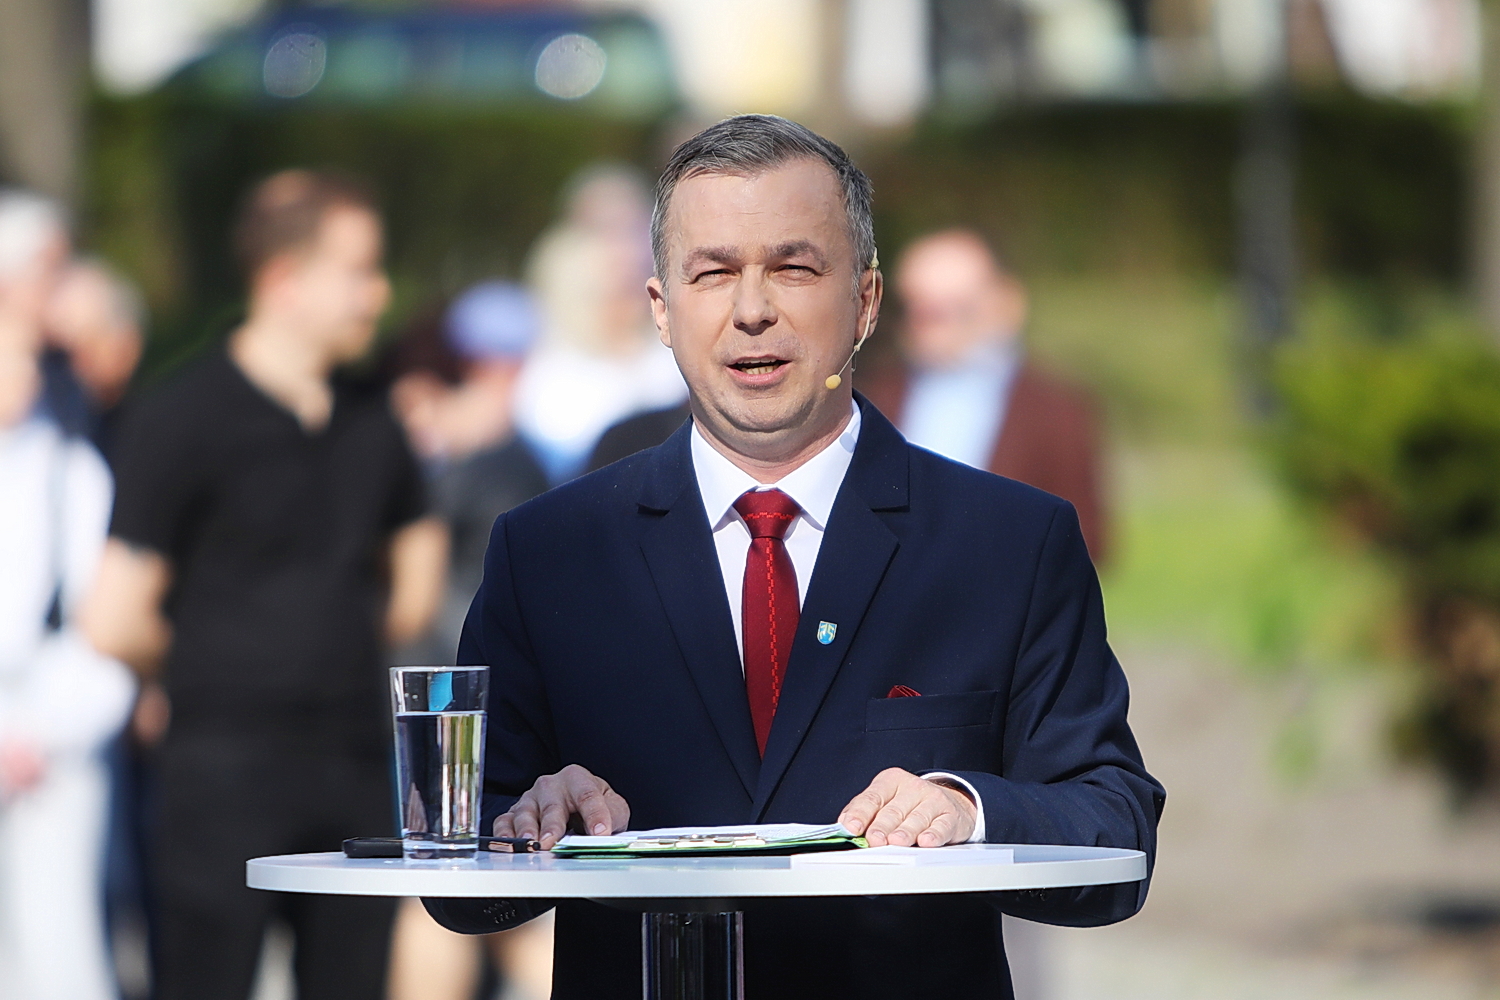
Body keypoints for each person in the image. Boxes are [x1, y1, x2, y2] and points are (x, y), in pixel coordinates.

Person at [425, 115, 1163, 997]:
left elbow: (1114, 831)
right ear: (661, 309)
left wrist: (967, 809)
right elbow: (455, 872)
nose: (752, 310)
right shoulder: (548, 552)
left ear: (867, 301)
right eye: (713, 272)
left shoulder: (1008, 543)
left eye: (793, 268)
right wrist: (529, 818)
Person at [81, 170, 446, 1000]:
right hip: (220, 769)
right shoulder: (183, 415)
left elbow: (416, 577)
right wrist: (217, 663)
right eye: (358, 271)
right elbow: (113, 616)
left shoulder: (375, 418)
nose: (378, 293)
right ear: (283, 279)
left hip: (355, 761)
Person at [0, 189, 136, 1000]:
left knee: (60, 953)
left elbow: (104, 627)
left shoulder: (72, 470)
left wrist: (38, 732)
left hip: (53, 746)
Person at [865, 229, 1109, 564]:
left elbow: (1086, 539)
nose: (930, 322)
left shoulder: (1056, 410)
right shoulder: (872, 397)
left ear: (1006, 302)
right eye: (917, 306)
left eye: (954, 308)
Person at [512, 165, 687, 482]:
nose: (625, 252)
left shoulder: (679, 360)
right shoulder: (549, 379)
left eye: (634, 231)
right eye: (603, 232)